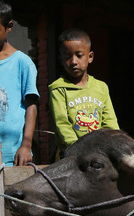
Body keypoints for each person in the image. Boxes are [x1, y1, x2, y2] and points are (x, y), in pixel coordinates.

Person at [48, 27, 119, 158]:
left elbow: (110, 123)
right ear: (60, 59)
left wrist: (113, 144)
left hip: (100, 154)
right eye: (67, 56)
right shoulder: (58, 88)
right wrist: (80, 149)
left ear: (90, 57)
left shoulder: (101, 87)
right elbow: (62, 124)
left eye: (79, 55)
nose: (74, 61)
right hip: (71, 155)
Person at [0, 1, 38, 166]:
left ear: (9, 27)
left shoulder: (22, 63)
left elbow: (31, 105)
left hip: (12, 155)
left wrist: (26, 145)